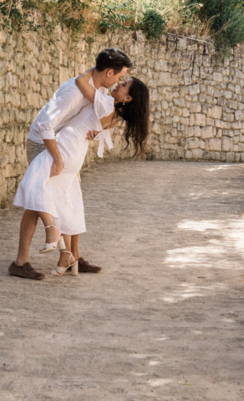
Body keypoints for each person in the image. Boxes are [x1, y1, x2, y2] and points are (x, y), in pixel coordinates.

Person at [9, 72, 151, 279]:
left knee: (41, 190)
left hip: (64, 147)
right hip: (63, 148)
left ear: (128, 99)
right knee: (60, 198)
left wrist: (102, 71)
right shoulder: (115, 113)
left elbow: (80, 82)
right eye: (121, 77)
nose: (119, 82)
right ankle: (65, 255)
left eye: (123, 83)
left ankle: (59, 247)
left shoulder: (103, 101)